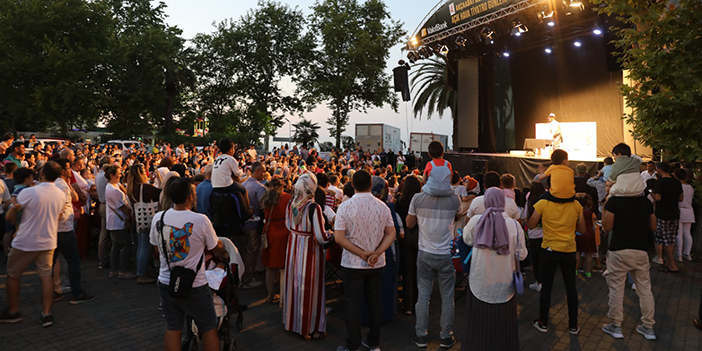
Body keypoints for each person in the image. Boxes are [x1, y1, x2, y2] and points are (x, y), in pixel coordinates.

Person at [149, 177, 228, 351]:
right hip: (196, 284)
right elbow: (216, 246)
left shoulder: (158, 218)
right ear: (190, 196)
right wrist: (225, 254)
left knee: (172, 327)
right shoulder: (201, 220)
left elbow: (155, 248)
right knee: (208, 327)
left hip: (166, 281)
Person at [335, 170, 396, 351]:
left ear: (352, 185)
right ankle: (374, 343)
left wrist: (361, 254)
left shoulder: (345, 207)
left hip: (352, 264)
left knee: (353, 304)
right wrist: (376, 253)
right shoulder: (382, 206)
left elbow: (339, 238)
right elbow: (391, 233)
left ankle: (352, 345)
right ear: (371, 185)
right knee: (374, 302)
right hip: (376, 263)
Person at [461, 188, 527, 351]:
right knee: (504, 327)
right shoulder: (514, 225)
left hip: (479, 282)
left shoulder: (477, 220)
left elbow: (467, 240)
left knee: (477, 325)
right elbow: (522, 255)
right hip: (505, 285)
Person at [0, 161, 65, 327]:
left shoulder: (29, 192)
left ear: (41, 173)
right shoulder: (61, 194)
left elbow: (10, 216)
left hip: (25, 241)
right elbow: (58, 217)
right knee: (45, 276)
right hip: (48, 241)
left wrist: (15, 219)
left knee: (13, 275)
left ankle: (13, 311)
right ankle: (47, 313)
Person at [406, 168, 461, 348]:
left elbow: (410, 223)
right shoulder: (454, 199)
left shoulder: (417, 198)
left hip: (425, 252)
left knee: (423, 296)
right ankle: (446, 336)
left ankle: (421, 335)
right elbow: (458, 214)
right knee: (447, 297)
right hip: (447, 254)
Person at [528, 177, 586, 335]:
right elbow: (582, 229)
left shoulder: (543, 203)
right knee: (571, 288)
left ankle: (543, 322)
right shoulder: (576, 204)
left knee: (546, 287)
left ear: (548, 187)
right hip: (568, 250)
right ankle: (573, 325)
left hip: (548, 249)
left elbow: (531, 224)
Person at [601, 188, 657, 340]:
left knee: (616, 288)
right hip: (640, 250)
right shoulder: (645, 202)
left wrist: (606, 207)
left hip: (619, 249)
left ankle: (616, 325)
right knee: (645, 289)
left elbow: (606, 227)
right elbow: (653, 226)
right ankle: (648, 326)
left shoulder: (614, 202)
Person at [283, 173, 333, 340]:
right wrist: (331, 235)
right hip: (309, 251)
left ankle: (292, 322)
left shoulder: (291, 203)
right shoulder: (314, 207)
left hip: (294, 246)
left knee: (294, 285)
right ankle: (308, 327)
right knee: (310, 288)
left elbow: (288, 225)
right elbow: (320, 237)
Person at [53, 158, 95, 303]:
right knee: (73, 260)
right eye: (68, 168)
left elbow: (76, 196)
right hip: (63, 228)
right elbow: (59, 209)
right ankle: (76, 292)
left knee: (52, 262)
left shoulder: (61, 183)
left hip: (56, 229)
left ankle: (55, 289)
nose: (70, 170)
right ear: (63, 170)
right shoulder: (61, 186)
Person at [126, 164, 161, 284]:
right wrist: (160, 180)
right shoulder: (144, 187)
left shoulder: (131, 188)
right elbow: (160, 193)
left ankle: (141, 271)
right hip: (147, 219)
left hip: (138, 220)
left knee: (141, 246)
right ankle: (142, 274)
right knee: (145, 247)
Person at [260, 178, 292, 304]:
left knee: (270, 266)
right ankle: (283, 297)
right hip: (283, 232)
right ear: (281, 186)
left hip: (268, 231)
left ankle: (270, 295)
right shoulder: (287, 197)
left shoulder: (265, 198)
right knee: (282, 267)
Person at [395, 175, 422, 315]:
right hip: (420, 235)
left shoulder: (400, 200)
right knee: (419, 271)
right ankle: (419, 302)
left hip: (405, 236)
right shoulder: (422, 200)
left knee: (407, 271)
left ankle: (408, 305)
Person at [105, 165, 136, 279]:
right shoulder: (113, 190)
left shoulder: (111, 186)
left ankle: (114, 269)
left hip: (113, 221)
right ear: (112, 175)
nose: (120, 175)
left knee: (115, 246)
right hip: (118, 221)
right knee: (125, 245)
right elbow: (123, 208)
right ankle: (122, 270)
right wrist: (130, 217)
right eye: (118, 173)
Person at [651, 162, 682, 272]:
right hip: (674, 212)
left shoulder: (660, 182)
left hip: (662, 213)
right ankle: (670, 261)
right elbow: (681, 198)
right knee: (671, 238)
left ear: (660, 170)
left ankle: (671, 263)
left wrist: (651, 193)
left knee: (663, 238)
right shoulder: (676, 182)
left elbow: (658, 198)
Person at [241, 162, 266, 289]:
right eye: (263, 171)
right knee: (252, 251)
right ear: (258, 171)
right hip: (254, 224)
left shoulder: (243, 185)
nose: (265, 174)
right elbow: (264, 207)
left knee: (245, 251)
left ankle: (246, 275)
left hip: (243, 224)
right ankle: (248, 278)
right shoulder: (260, 188)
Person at [525, 181, 546, 292]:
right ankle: (545, 281)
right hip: (546, 234)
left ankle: (539, 282)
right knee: (545, 259)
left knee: (536, 260)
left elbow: (525, 216)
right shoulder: (546, 199)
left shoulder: (529, 200)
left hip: (534, 234)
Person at [674, 168, 694, 262]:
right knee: (687, 233)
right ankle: (687, 253)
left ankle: (679, 254)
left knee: (679, 233)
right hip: (689, 210)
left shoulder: (677, 186)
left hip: (680, 210)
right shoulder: (690, 187)